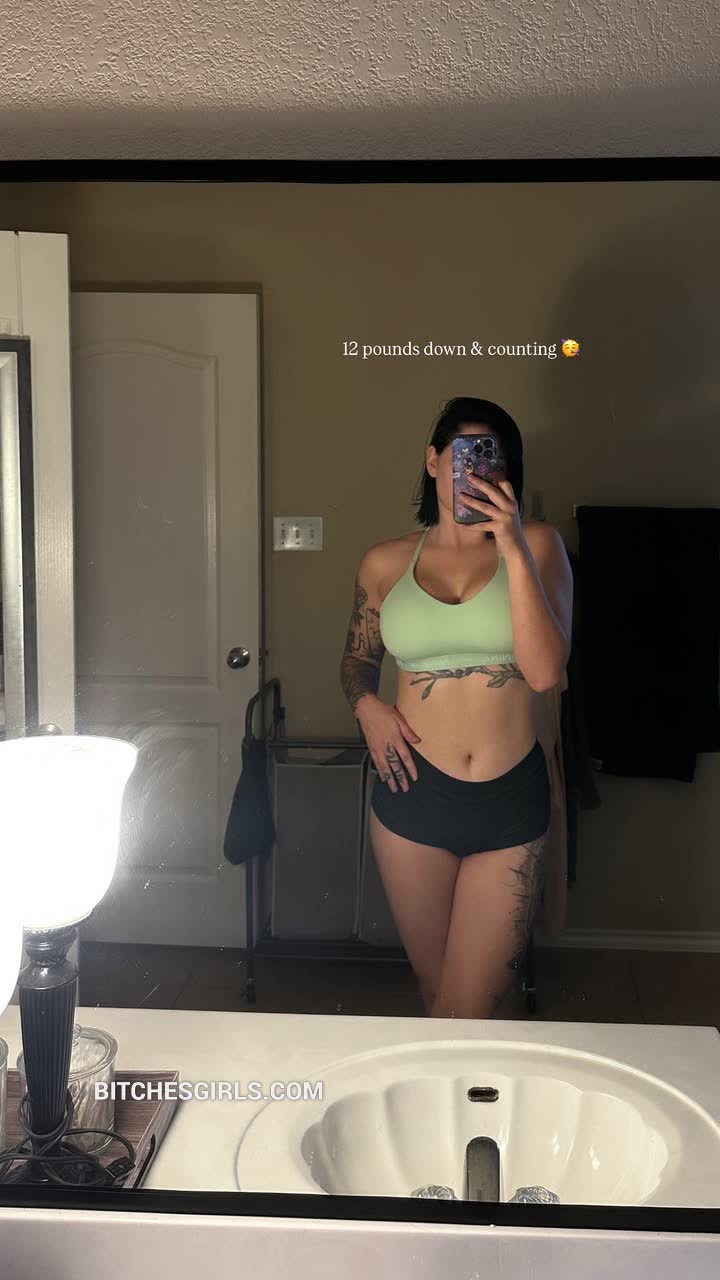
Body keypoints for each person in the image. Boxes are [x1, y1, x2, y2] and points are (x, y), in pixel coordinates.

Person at [339, 397, 573, 1018]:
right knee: (435, 996)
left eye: (492, 458)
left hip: (510, 799)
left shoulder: (539, 545)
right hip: (412, 795)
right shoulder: (384, 562)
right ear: (433, 460)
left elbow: (545, 672)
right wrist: (367, 707)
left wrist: (512, 545)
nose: (475, 470)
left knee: (468, 1010)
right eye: (463, 453)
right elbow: (357, 660)